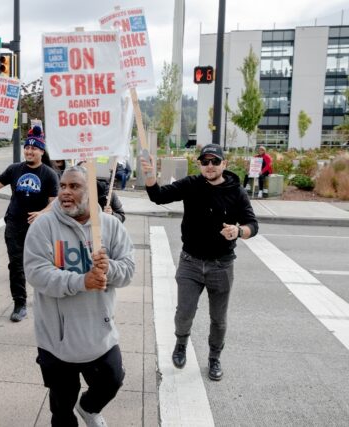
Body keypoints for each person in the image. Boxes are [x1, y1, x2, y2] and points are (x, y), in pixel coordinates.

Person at [24, 166, 135, 426]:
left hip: (99, 331)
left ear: (91, 192)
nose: (65, 192)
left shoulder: (110, 226)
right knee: (61, 407)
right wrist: (82, 281)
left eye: (74, 186)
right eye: (63, 186)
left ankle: (88, 407)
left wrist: (109, 269)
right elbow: (37, 274)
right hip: (56, 338)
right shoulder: (43, 227)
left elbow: (128, 270)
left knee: (113, 379)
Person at [140, 143, 258, 381]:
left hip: (221, 265)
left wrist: (238, 231)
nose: (210, 166)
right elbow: (158, 196)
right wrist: (150, 175)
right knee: (184, 313)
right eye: (205, 161)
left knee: (218, 319)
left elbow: (253, 225)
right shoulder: (191, 185)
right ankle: (181, 343)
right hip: (190, 262)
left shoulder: (236, 191)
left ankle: (214, 357)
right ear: (200, 164)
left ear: (224, 164)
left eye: (215, 161)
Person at [0, 127, 59, 322]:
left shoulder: (49, 174)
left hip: (39, 229)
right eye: (27, 148)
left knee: (41, 265)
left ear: (41, 151)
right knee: (16, 266)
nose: (29, 151)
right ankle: (19, 303)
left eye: (34, 148)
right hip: (14, 224)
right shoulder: (14, 169)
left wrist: (42, 214)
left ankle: (46, 300)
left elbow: (55, 202)